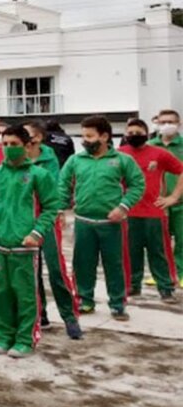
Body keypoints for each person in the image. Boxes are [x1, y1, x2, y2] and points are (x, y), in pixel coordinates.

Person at [0, 125, 59, 358]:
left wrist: (37, 232)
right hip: (0, 248)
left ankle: (25, 338)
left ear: (27, 146)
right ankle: (3, 336)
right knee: (0, 294)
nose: (9, 149)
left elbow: (51, 207)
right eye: (5, 144)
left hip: (25, 248)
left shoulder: (38, 175)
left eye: (14, 144)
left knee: (25, 294)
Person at [58, 116, 145, 321]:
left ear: (104, 136)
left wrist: (123, 207)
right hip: (83, 222)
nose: (85, 140)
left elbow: (137, 184)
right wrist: (61, 208)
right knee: (82, 263)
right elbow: (63, 184)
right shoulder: (75, 160)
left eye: (90, 136)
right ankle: (85, 300)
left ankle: (117, 304)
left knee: (115, 264)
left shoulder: (122, 160)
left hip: (112, 224)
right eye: (83, 136)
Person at [23, 121, 83, 338]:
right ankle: (41, 314)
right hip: (23, 221)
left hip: (46, 219)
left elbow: (54, 188)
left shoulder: (49, 159)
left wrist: (58, 211)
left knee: (56, 269)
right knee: (32, 272)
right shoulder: (15, 160)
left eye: (28, 135)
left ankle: (69, 316)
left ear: (38, 137)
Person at [120, 118, 183, 303]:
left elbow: (181, 170)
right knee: (131, 252)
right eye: (130, 133)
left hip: (154, 213)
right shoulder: (120, 154)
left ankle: (166, 288)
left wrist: (173, 197)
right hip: (128, 212)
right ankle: (132, 285)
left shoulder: (159, 153)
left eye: (138, 133)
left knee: (160, 252)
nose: (133, 136)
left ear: (146, 134)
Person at [150, 109, 183, 289]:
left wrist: (174, 196)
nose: (166, 125)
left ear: (179, 124)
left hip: (180, 202)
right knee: (158, 243)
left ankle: (181, 273)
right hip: (157, 203)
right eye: (162, 122)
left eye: (170, 121)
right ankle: (159, 274)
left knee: (181, 240)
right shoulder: (150, 145)